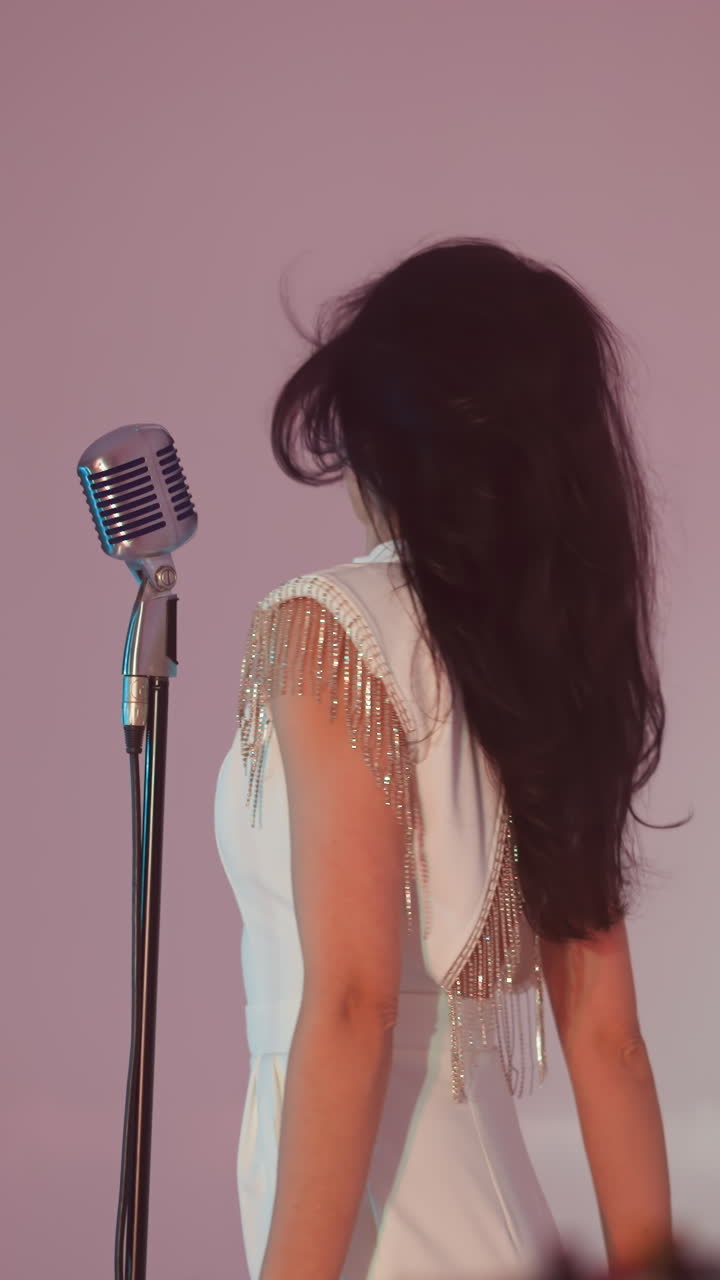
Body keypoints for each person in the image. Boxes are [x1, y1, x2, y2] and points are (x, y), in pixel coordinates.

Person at [214, 238, 680, 1280]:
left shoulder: (330, 625)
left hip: (381, 1223)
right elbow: (610, 1042)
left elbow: (350, 1002)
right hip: (490, 1215)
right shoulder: (543, 662)